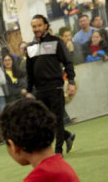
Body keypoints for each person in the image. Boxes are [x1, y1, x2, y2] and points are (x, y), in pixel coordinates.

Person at [26, 15, 76, 156]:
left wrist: (71, 81)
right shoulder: (30, 47)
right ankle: (67, 136)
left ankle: (58, 151)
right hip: (39, 90)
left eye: (39, 25)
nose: (36, 29)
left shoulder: (56, 41)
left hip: (55, 87)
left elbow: (68, 62)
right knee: (45, 122)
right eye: (34, 26)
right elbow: (29, 71)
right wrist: (29, 90)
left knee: (57, 119)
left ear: (46, 26)